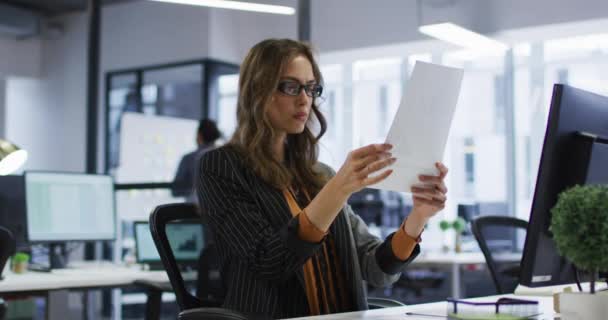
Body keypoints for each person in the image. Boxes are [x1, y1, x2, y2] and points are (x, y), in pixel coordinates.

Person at [196, 39, 448, 318]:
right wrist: (338, 190)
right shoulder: (221, 166)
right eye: (290, 87)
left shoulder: (319, 175)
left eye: (311, 87)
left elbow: (376, 269)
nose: (305, 98)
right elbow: (270, 262)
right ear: (257, 91)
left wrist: (418, 218)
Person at [172, 118, 221, 203]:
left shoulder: (189, 158)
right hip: (221, 209)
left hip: (194, 210)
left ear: (199, 135)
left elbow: (176, 190)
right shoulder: (226, 157)